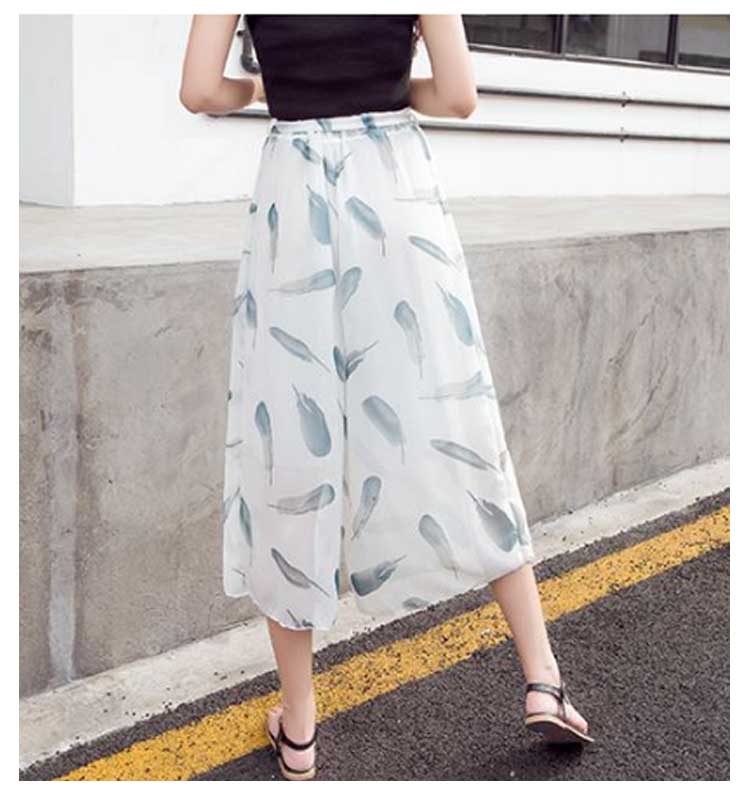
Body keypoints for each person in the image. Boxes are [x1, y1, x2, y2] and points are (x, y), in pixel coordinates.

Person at [180, 14, 592, 781]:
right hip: (394, 189)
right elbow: (459, 95)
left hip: (294, 198)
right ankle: (542, 678)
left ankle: (299, 729)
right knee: (451, 411)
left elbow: (200, 90)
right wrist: (384, 86)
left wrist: (271, 87)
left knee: (290, 441)